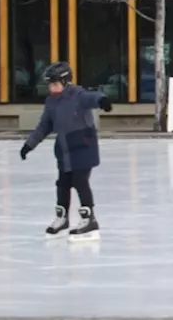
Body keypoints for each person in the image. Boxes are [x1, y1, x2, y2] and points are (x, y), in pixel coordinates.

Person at [20, 62, 113, 241]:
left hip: (83, 147)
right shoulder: (51, 102)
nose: (52, 88)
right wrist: (29, 145)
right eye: (50, 85)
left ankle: (89, 220)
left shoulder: (78, 95)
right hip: (64, 150)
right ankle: (62, 219)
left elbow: (92, 97)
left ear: (65, 82)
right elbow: (44, 126)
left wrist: (102, 100)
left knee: (80, 181)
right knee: (62, 183)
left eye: (55, 84)